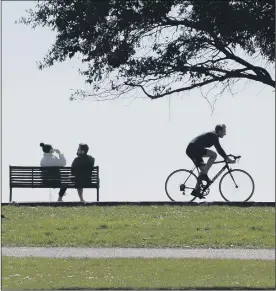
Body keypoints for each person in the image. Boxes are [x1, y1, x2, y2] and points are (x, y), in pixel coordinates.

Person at [186, 124, 235, 198]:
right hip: (193, 149)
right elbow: (219, 150)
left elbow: (220, 150)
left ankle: (196, 190)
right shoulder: (213, 135)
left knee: (203, 171)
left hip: (197, 150)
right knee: (214, 155)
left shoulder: (214, 135)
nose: (225, 134)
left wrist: (227, 157)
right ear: (219, 131)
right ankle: (204, 177)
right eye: (224, 132)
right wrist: (228, 159)